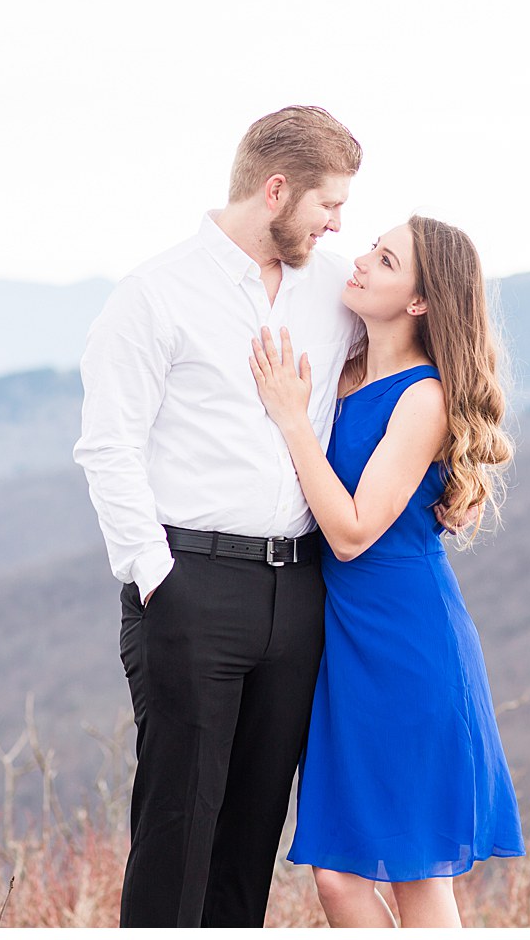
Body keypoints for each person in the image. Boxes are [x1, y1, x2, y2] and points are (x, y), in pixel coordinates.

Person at [72, 106, 363, 928]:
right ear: (276, 190)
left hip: (302, 589)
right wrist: (159, 578)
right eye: (327, 203)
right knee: (178, 827)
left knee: (252, 833)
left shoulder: (334, 291)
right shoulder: (155, 295)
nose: (338, 221)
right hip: (190, 582)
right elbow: (109, 447)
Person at [247, 214, 525, 928]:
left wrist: (291, 419)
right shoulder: (343, 371)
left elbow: (350, 533)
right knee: (338, 880)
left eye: (386, 259)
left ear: (420, 302)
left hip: (407, 646)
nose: (361, 262)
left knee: (416, 875)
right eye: (371, 247)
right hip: (342, 651)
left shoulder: (423, 398)